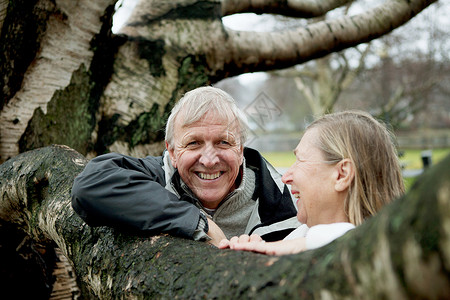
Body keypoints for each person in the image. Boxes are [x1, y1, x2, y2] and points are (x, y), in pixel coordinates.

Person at [71, 86, 300, 246]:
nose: (209, 160)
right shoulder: (157, 176)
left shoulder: (281, 200)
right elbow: (90, 186)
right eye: (193, 143)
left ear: (240, 150)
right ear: (171, 152)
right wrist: (198, 223)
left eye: (223, 142)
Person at [219, 110, 405, 255]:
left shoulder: (391, 251)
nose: (286, 177)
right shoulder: (300, 235)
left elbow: (363, 238)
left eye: (300, 160)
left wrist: (289, 248)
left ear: (342, 174)